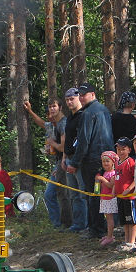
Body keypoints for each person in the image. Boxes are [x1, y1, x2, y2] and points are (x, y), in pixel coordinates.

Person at [66, 82, 114, 239]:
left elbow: (84, 140)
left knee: (93, 194)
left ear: (92, 94)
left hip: (93, 160)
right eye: (79, 94)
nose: (81, 97)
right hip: (106, 158)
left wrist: (74, 162)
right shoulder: (104, 110)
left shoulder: (88, 113)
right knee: (103, 193)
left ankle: (96, 229)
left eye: (84, 94)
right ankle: (104, 226)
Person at [24, 97, 70, 229]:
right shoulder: (50, 126)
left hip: (66, 162)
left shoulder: (64, 124)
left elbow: (63, 147)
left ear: (59, 108)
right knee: (51, 195)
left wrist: (52, 144)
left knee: (66, 194)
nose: (50, 116)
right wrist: (30, 111)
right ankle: (58, 224)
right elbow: (41, 123)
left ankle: (69, 223)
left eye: (53, 108)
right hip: (58, 163)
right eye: (49, 111)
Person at [61, 87, 88, 233]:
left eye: (72, 99)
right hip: (69, 158)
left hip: (80, 160)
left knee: (83, 194)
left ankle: (85, 225)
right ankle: (78, 224)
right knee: (73, 194)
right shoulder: (70, 117)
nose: (70, 102)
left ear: (79, 98)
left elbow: (82, 141)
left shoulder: (83, 115)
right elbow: (67, 139)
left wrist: (76, 162)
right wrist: (64, 157)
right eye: (67, 100)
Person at [114, 137, 136, 252]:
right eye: (118, 149)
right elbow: (116, 178)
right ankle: (126, 240)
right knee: (124, 220)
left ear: (129, 150)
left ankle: (132, 242)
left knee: (131, 220)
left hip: (129, 197)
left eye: (123, 149)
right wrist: (114, 190)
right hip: (119, 196)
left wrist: (129, 189)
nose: (121, 152)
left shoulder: (130, 162)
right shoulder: (117, 162)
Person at [95, 151, 118, 246]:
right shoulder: (105, 173)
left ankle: (110, 236)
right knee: (107, 217)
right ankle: (109, 234)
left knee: (109, 218)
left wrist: (102, 179)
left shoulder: (113, 173)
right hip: (104, 198)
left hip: (110, 199)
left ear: (113, 162)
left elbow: (110, 185)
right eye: (103, 161)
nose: (105, 163)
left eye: (107, 161)